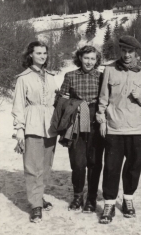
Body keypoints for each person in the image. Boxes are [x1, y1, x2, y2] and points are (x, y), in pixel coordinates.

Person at [96, 35, 141, 224]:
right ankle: (109, 203)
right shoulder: (109, 70)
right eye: (123, 51)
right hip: (114, 129)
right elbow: (103, 98)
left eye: (130, 52)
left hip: (137, 129)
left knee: (133, 167)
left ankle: (128, 200)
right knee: (111, 167)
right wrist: (101, 119)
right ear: (120, 51)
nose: (126, 55)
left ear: (136, 53)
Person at [12, 41, 58, 223]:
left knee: (46, 166)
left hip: (50, 126)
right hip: (32, 124)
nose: (42, 56)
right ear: (30, 54)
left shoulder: (51, 76)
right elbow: (18, 106)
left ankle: (38, 195)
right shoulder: (23, 78)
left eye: (45, 53)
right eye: (38, 53)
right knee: (33, 167)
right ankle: (35, 205)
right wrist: (19, 129)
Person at [58, 45, 104, 213]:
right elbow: (61, 99)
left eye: (93, 58)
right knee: (78, 163)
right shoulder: (70, 76)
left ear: (97, 60)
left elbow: (106, 100)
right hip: (75, 123)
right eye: (86, 58)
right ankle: (78, 196)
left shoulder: (101, 77)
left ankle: (91, 198)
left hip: (95, 123)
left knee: (94, 162)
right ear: (80, 58)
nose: (89, 62)